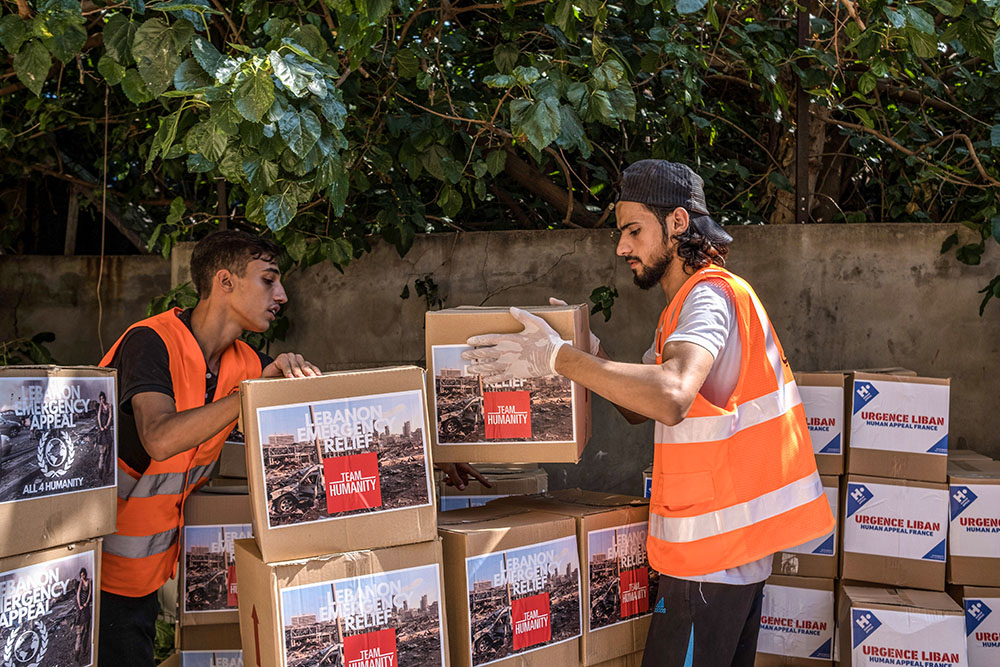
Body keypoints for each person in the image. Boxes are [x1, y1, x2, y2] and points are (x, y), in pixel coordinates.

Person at [462, 160, 834, 666]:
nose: (622, 248)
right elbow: (643, 409)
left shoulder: (709, 297)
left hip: (709, 564)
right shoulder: (683, 309)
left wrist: (556, 358)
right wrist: (588, 356)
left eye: (634, 231)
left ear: (678, 223)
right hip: (725, 560)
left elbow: (671, 394)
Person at [97, 230, 321, 666]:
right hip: (95, 566)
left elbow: (284, 457)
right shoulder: (151, 341)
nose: (282, 295)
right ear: (225, 281)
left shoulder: (247, 363)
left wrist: (437, 467)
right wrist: (250, 395)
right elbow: (160, 438)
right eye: (269, 280)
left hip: (150, 571)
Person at [74, 567, 93, 664]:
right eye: (81, 576)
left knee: (86, 631)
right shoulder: (80, 582)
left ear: (85, 574)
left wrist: (86, 603)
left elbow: (89, 593)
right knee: (79, 633)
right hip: (80, 608)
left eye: (83, 575)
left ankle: (84, 650)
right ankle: (77, 652)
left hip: (86, 607)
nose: (83, 577)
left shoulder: (89, 581)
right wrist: (80, 605)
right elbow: (78, 595)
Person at [96, 390, 113, 481]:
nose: (102, 400)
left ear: (105, 398)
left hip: (107, 430)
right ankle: (100, 472)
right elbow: (98, 417)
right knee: (102, 453)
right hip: (102, 431)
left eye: (103, 398)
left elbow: (110, 416)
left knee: (108, 452)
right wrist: (101, 427)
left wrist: (106, 425)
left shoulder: (109, 405)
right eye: (100, 399)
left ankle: (106, 470)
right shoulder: (100, 406)